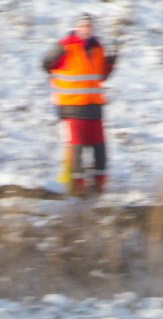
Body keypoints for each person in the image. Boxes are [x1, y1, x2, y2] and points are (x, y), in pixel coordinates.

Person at [43, 12, 117, 195]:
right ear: (76, 27)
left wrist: (112, 61)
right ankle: (77, 190)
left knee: (100, 149)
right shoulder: (66, 46)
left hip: (94, 108)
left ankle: (99, 187)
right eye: (83, 25)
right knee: (76, 150)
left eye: (89, 26)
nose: (87, 29)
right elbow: (46, 64)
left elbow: (101, 76)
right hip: (72, 109)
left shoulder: (97, 48)